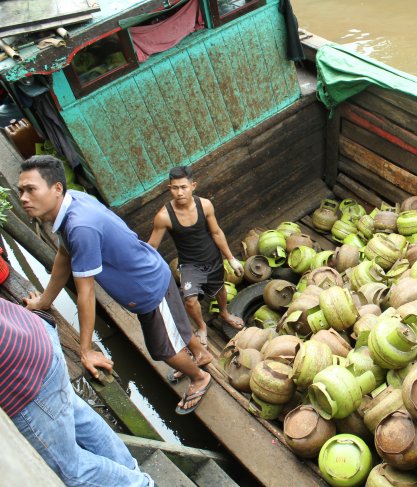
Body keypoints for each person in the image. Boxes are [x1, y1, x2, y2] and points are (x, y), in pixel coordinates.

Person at [18, 155, 212, 415]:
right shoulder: (72, 203)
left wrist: (85, 350)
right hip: (151, 272)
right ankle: (201, 355)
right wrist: (44, 301)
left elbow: (86, 293)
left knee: (163, 348)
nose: (23, 198)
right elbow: (64, 256)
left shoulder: (80, 226)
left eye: (31, 189)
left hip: (148, 289)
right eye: (21, 191)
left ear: (56, 189)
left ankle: (199, 377)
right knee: (174, 326)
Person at [0, 298, 153, 486]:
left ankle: (139, 484)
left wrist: (86, 349)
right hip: (33, 334)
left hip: (18, 380)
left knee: (71, 471)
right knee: (77, 413)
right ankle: (131, 472)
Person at [147, 165, 244, 350]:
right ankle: (202, 326)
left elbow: (216, 232)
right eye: (175, 188)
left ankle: (224, 313)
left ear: (193, 186)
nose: (179, 192)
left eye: (183, 187)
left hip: (213, 259)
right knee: (190, 301)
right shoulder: (164, 216)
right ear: (170, 189)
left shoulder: (205, 205)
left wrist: (230, 257)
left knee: (220, 291)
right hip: (190, 266)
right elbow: (151, 247)